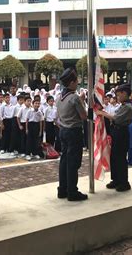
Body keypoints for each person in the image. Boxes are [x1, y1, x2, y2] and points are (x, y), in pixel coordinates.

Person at [56, 68, 88, 201]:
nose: (77, 83)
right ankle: (72, 191)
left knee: (64, 161)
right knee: (73, 163)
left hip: (63, 130)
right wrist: (83, 101)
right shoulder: (74, 98)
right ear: (71, 83)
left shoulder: (60, 98)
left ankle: (62, 189)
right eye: (76, 81)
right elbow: (84, 116)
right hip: (74, 132)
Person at [96, 84, 132, 192]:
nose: (117, 97)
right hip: (116, 132)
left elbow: (115, 118)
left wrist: (102, 113)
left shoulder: (128, 107)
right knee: (114, 157)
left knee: (120, 158)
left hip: (122, 132)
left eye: (119, 95)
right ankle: (116, 179)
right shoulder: (122, 105)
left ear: (125, 94)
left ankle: (124, 182)